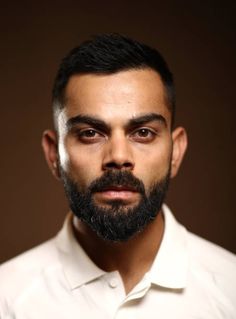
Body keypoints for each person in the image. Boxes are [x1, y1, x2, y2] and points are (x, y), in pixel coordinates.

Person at [0, 33, 235, 319]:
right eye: (90, 133)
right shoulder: (7, 298)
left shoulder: (228, 289)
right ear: (53, 155)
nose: (118, 156)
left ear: (175, 152)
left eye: (143, 133)